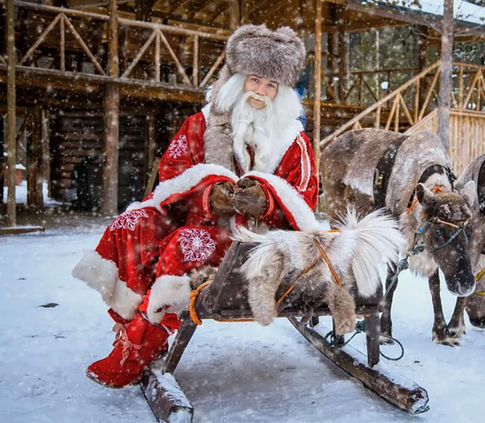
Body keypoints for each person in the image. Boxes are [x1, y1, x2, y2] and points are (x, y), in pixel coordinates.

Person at [72, 24, 319, 388]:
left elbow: (305, 197)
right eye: (254, 80)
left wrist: (266, 201)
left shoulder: (294, 142)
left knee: (184, 246)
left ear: (281, 92)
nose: (261, 92)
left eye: (271, 85)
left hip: (258, 242)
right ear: (238, 80)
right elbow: (172, 175)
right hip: (202, 221)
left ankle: (140, 345)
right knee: (132, 225)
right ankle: (133, 326)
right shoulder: (201, 125)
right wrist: (209, 194)